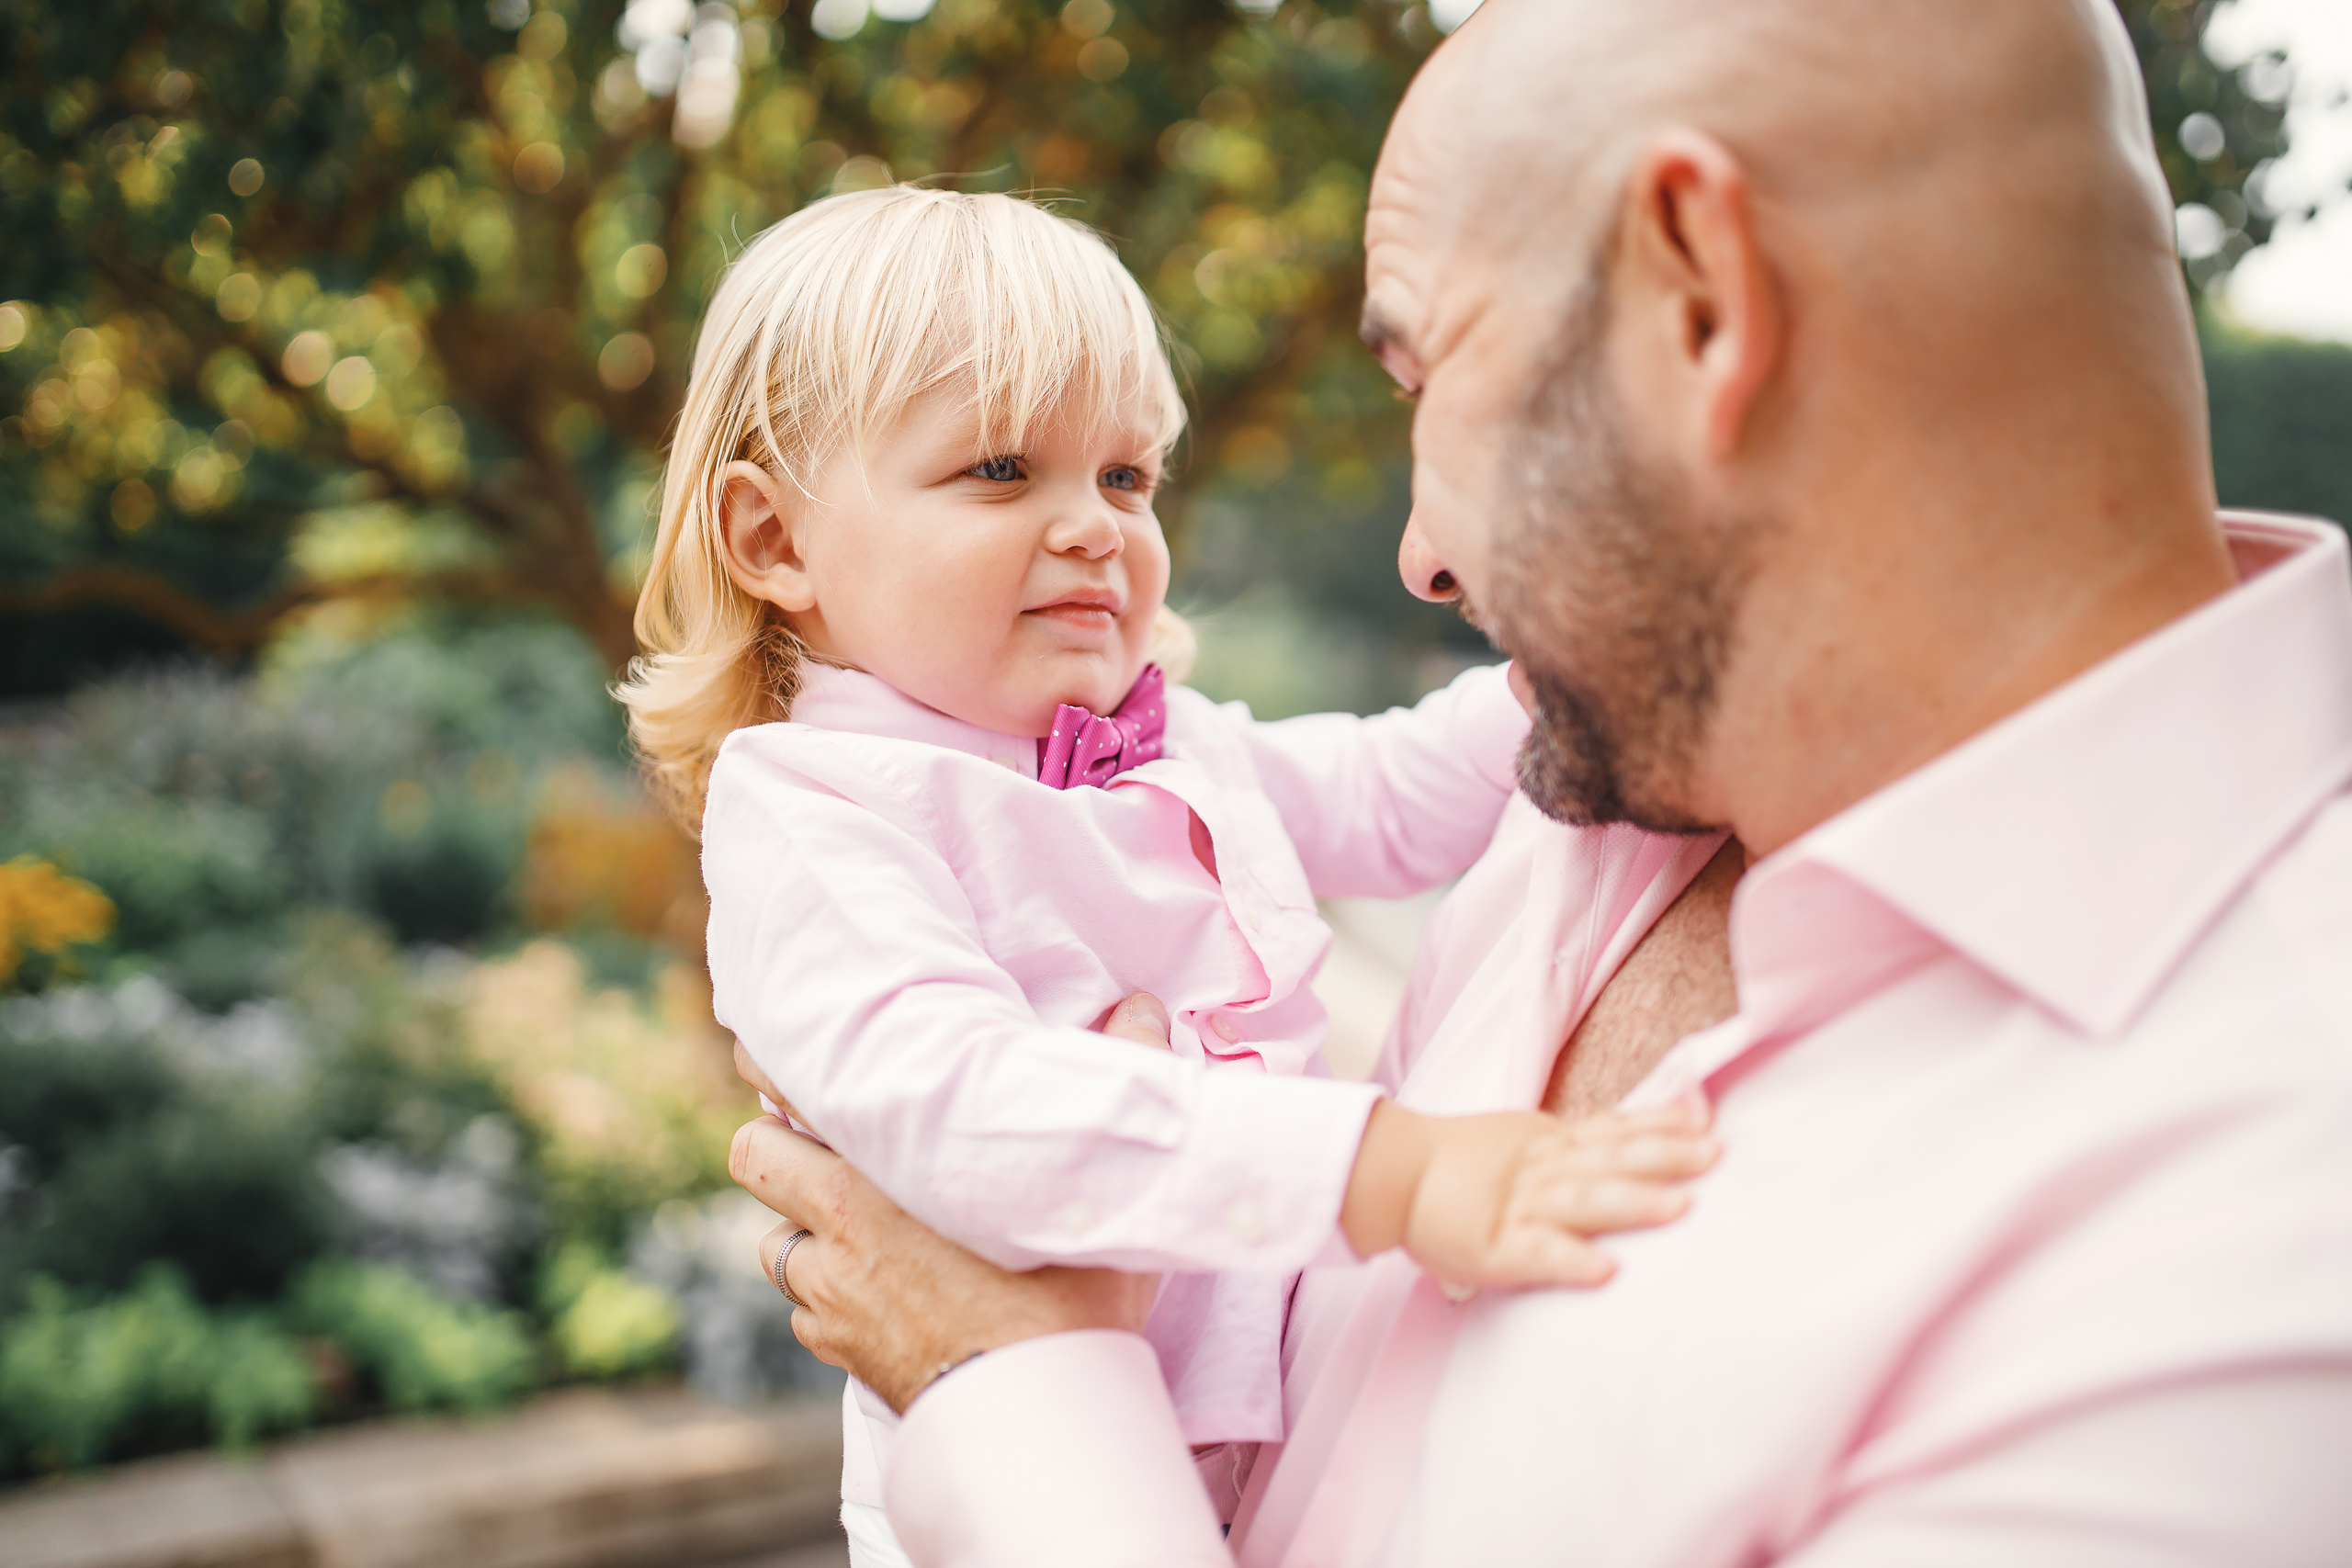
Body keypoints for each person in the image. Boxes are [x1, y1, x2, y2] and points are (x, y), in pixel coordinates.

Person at [726, 0, 2352, 1562]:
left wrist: (1005, 1386)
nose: (1422, 560)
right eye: (999, 470)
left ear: (1700, 298)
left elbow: (1353, 791)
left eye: (1431, 376)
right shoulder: (1614, 769)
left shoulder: (2253, 1233)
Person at [615, 186, 1721, 1565]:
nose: (1095, 527)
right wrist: (1388, 1173)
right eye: (1001, 470)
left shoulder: (1169, 744)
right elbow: (966, 1103)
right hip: (1019, 1467)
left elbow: (1390, 795)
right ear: (775, 541)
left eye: (1127, 477)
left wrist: (1591, 670)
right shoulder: (817, 814)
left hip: (1274, 1435)